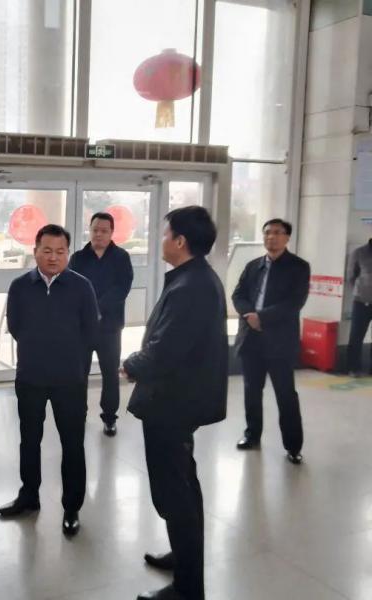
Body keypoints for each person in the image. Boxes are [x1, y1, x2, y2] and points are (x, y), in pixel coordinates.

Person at [122, 206, 228, 600]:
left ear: (180, 241)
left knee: (175, 494)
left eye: (166, 234)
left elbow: (165, 349)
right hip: (178, 400)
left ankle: (187, 588)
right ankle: (183, 556)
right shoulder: (194, 278)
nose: (162, 239)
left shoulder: (191, 287)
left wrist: (131, 365)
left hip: (172, 403)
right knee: (183, 486)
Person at [0, 224, 99, 537]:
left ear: (68, 253)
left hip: (70, 379)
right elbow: (15, 326)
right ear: (35, 252)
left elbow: (90, 331)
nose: (53, 257)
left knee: (72, 444)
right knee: (29, 440)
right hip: (31, 376)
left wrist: (71, 358)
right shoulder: (20, 286)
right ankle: (29, 496)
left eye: (60, 251)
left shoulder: (81, 286)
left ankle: (72, 507)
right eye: (47, 251)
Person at [232, 218, 310, 464]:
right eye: (267, 233)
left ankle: (293, 446)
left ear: (287, 237)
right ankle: (252, 435)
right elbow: (238, 294)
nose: (271, 237)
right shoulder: (253, 266)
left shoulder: (298, 267)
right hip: (251, 340)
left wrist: (262, 317)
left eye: (277, 233)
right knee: (251, 392)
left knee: (286, 395)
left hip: (280, 343)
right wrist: (249, 314)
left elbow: (294, 303)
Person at [70, 212, 133, 436]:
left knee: (110, 374)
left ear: (111, 232)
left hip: (110, 327)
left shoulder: (121, 257)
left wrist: (96, 307)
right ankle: (79, 414)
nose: (98, 234)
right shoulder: (78, 258)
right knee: (79, 374)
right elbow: (72, 287)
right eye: (95, 229)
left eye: (104, 231)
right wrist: (87, 311)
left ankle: (109, 417)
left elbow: (122, 288)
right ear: (90, 230)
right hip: (82, 328)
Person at [346, 239, 372, 376]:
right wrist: (361, 291)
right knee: (356, 335)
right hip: (361, 301)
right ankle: (353, 368)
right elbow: (351, 277)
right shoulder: (359, 253)